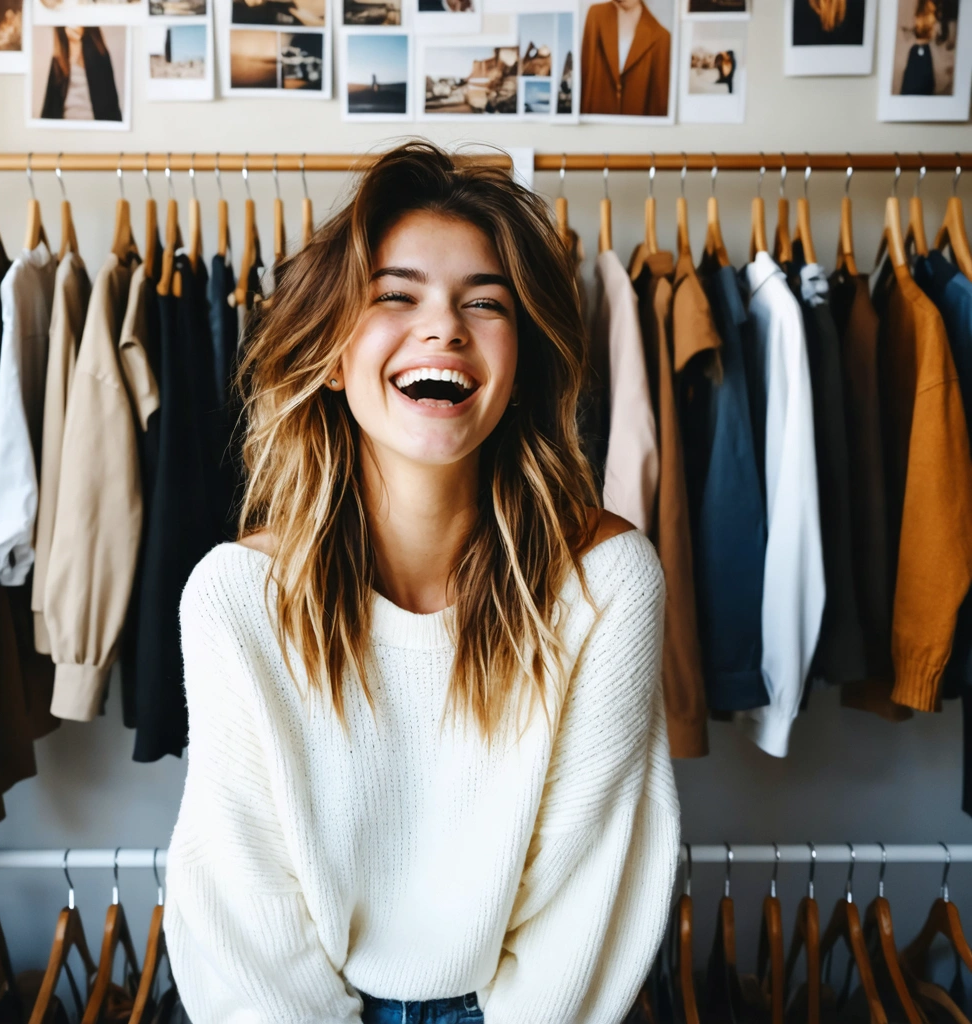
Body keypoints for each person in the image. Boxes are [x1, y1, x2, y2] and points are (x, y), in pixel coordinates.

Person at [163, 141, 679, 1024]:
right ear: (331, 354)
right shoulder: (235, 601)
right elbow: (245, 920)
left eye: (485, 303)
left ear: (520, 366)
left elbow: (582, 906)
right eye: (396, 296)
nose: (444, 328)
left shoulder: (605, 584)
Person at [580, 0, 670, 116]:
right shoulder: (596, 15)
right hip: (596, 121)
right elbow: (585, 79)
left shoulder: (662, 37)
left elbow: (659, 106)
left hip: (635, 124)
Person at [39, 26, 122, 121]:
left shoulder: (100, 54)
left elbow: (112, 107)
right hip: (65, 125)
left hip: (93, 125)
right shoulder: (58, 59)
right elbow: (49, 109)